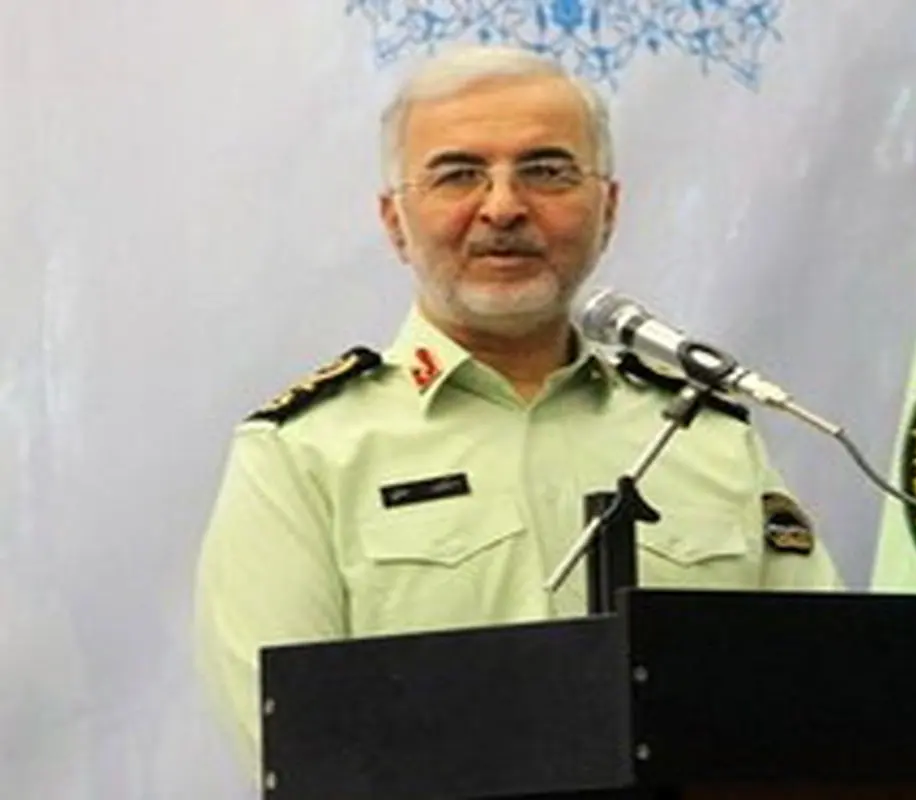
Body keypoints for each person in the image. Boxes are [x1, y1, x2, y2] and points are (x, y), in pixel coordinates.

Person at [193, 44, 843, 777]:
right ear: (395, 221)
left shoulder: (706, 437)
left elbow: (819, 701)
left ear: (609, 210)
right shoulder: (300, 455)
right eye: (458, 174)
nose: (502, 207)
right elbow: (300, 749)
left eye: (546, 171)